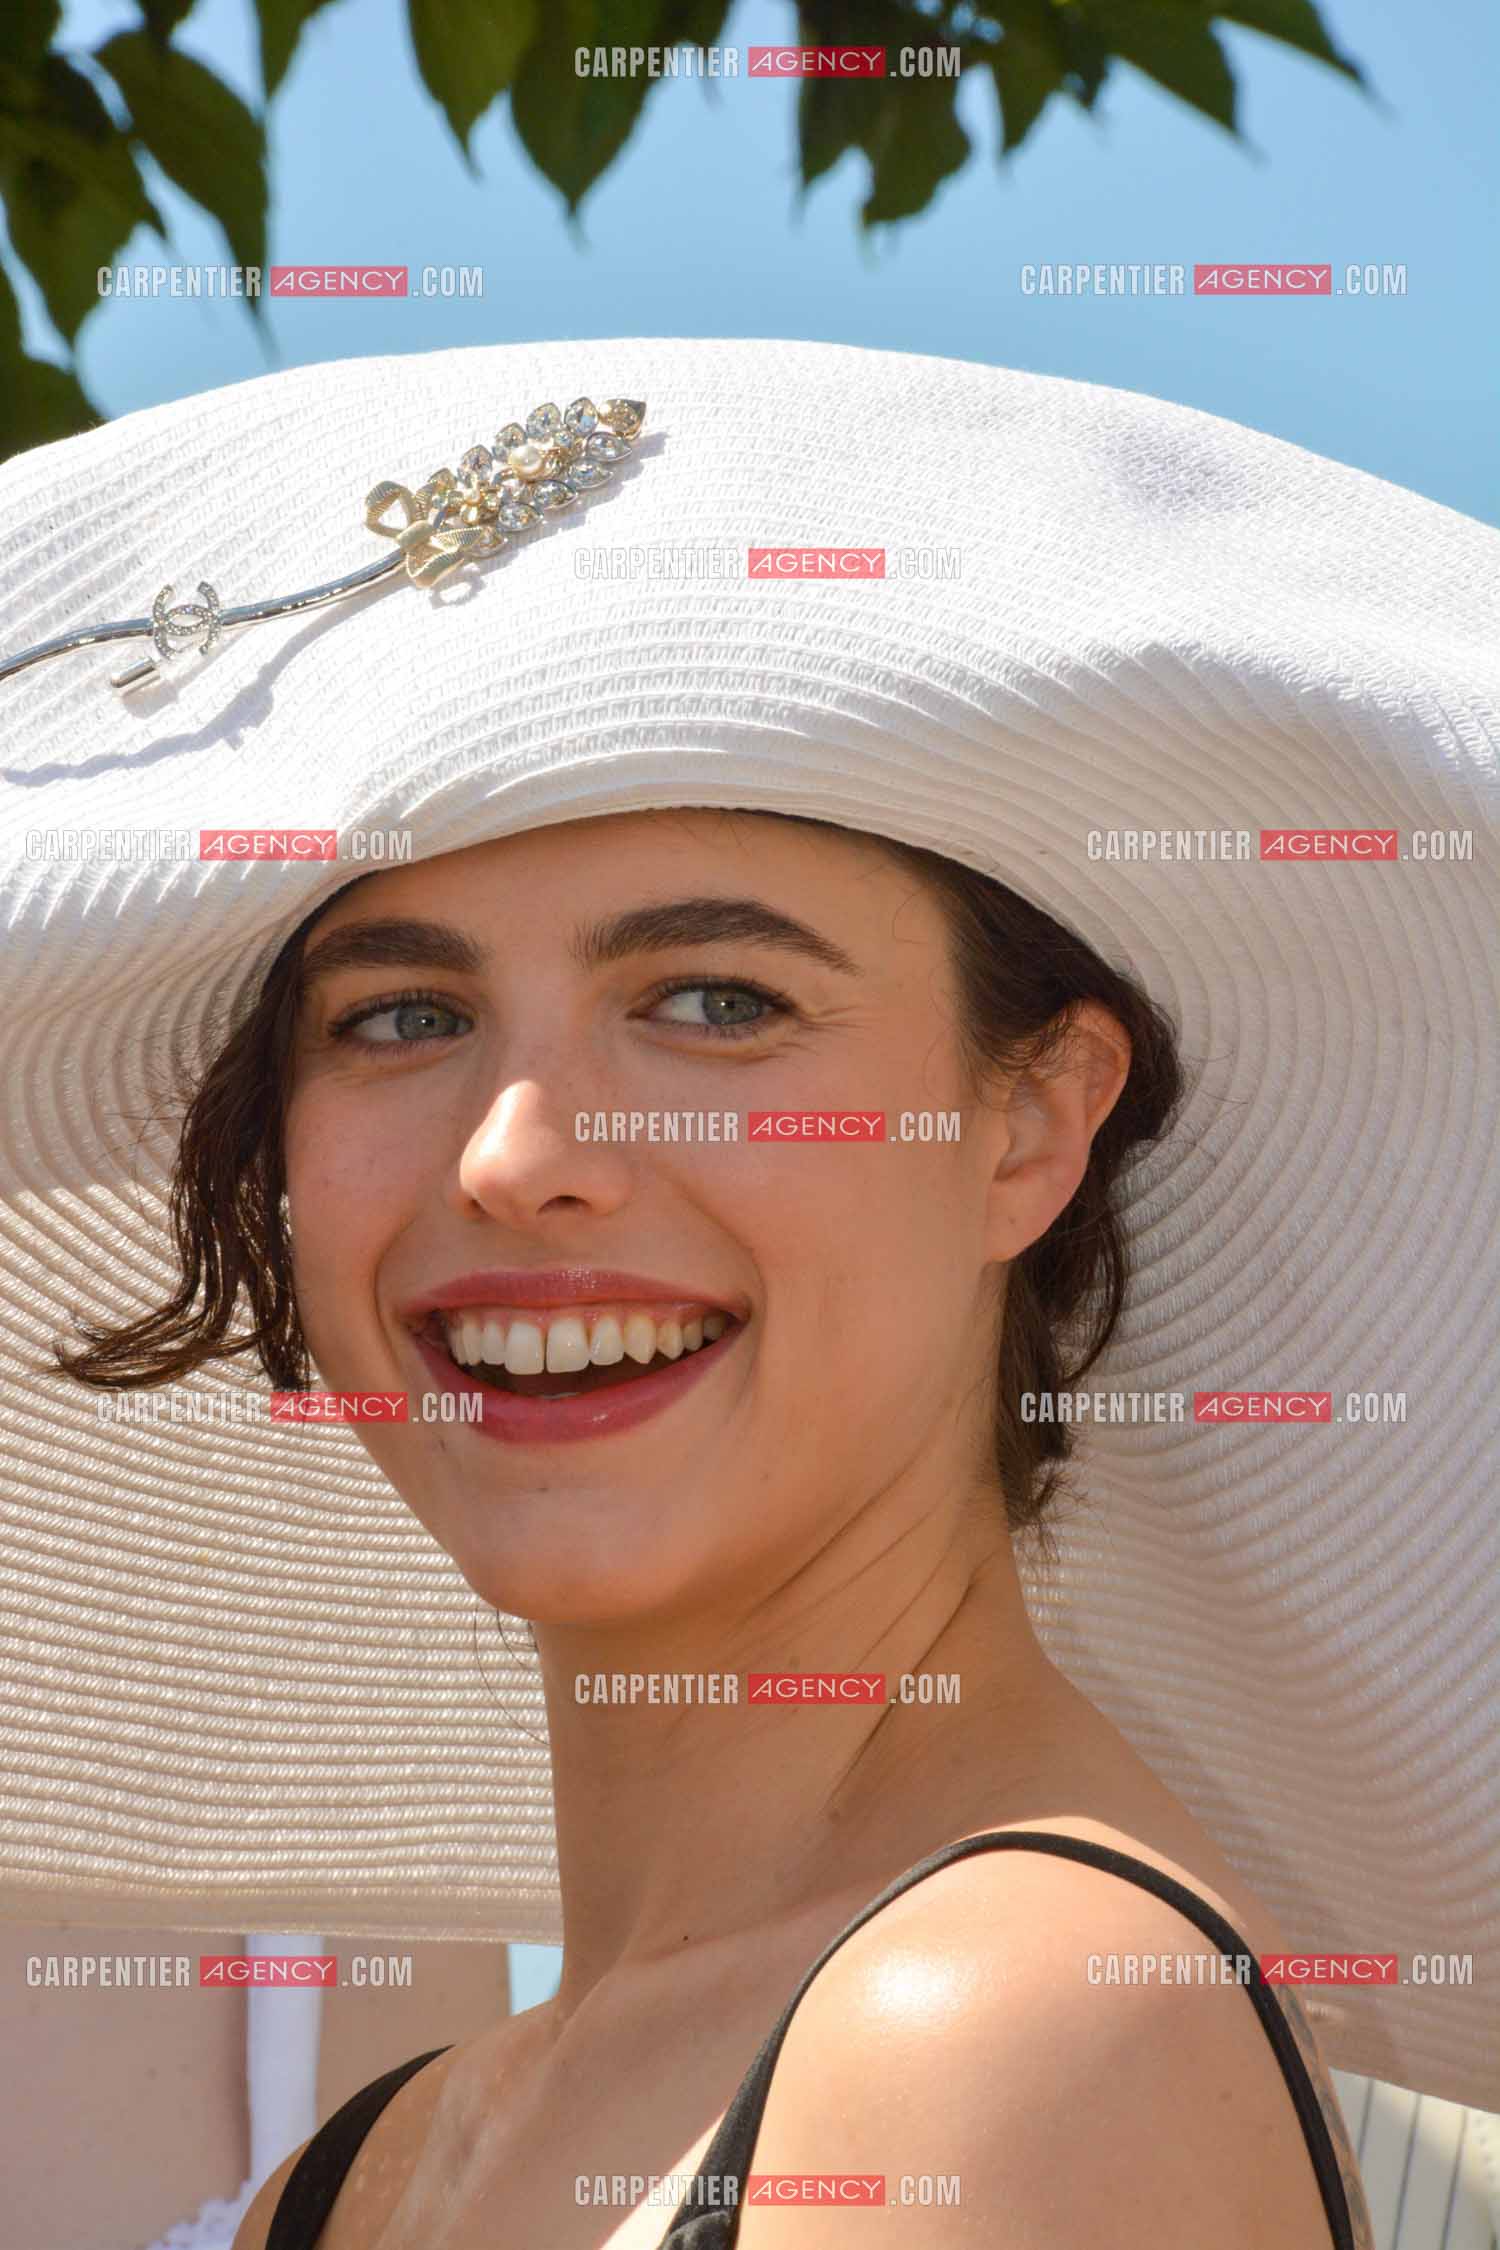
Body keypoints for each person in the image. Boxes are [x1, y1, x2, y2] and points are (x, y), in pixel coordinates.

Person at [0, 336, 1493, 2249]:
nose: (512, 1149)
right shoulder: (368, 2161)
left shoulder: (1000, 2039)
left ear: (1032, 1124)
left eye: (718, 1000)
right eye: (402, 1015)